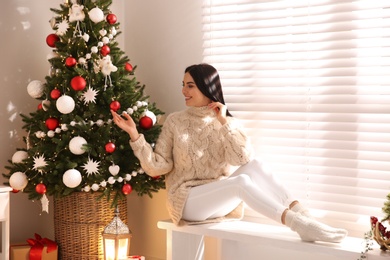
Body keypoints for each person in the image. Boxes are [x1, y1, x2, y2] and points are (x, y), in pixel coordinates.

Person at [111, 63, 348, 243]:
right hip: (187, 201)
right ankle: (298, 225)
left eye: (190, 85)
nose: (183, 90)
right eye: (183, 85)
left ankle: (307, 218)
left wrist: (224, 122)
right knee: (241, 182)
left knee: (257, 166)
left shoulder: (225, 121)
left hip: (218, 198)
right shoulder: (175, 121)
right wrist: (135, 135)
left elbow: (243, 159)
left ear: (207, 87)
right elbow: (157, 166)